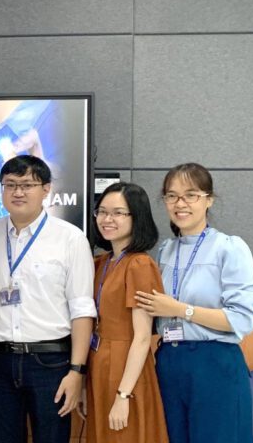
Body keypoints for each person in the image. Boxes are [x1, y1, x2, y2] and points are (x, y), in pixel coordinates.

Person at [135, 163, 253, 443]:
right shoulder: (165, 250)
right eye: (172, 196)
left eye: (190, 195)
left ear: (209, 199)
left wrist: (181, 310)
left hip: (213, 363)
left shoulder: (229, 247)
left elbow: (243, 318)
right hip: (168, 360)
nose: (180, 204)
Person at [0, 154, 95, 443]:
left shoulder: (70, 238)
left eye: (27, 185)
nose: (18, 192)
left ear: (46, 189)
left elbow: (81, 309)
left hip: (51, 363)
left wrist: (76, 371)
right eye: (10, 185)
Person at [85, 183, 168, 443]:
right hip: (98, 361)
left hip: (125, 368)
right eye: (102, 212)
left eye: (118, 213)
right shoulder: (102, 262)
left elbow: (142, 338)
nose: (107, 219)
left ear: (137, 217)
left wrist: (123, 395)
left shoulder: (139, 264)